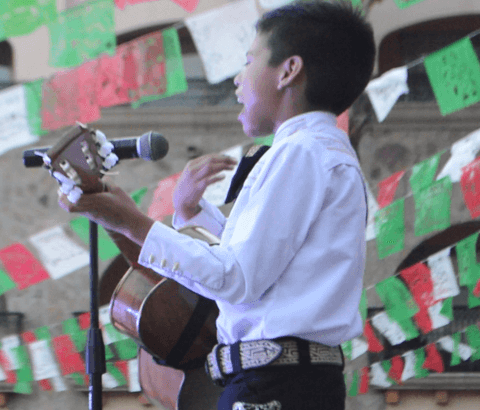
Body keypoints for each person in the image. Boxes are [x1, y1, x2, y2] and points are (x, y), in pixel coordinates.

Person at [58, 1, 376, 409]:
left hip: (275, 387)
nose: (238, 80)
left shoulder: (303, 152)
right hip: (282, 383)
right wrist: (187, 215)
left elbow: (238, 278)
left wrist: (132, 222)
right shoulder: (315, 151)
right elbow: (264, 270)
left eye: (249, 61)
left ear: (289, 70)